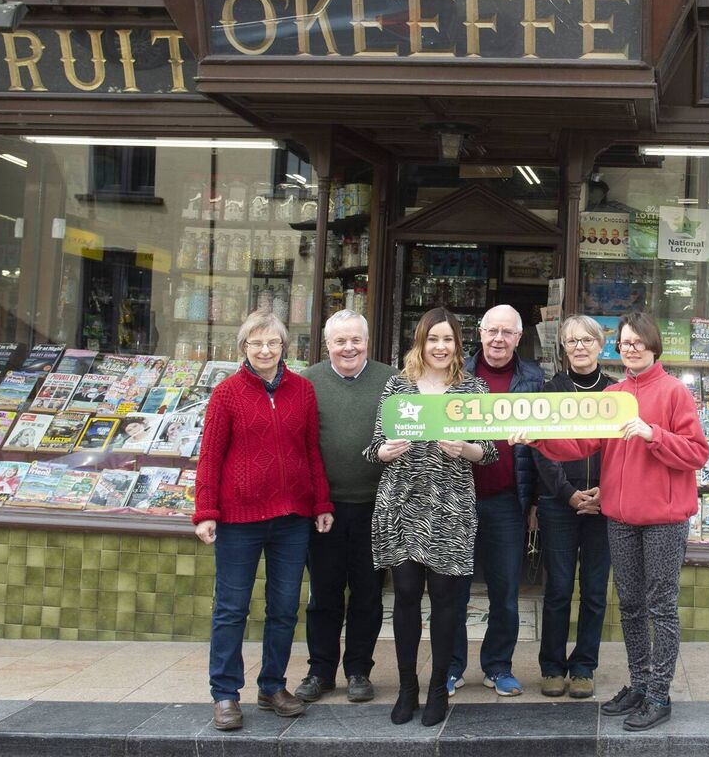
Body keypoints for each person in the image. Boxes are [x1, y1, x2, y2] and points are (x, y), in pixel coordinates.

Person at [511, 311, 709, 732]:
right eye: (625, 343)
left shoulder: (675, 393)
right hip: (618, 516)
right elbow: (580, 442)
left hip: (663, 519)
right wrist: (538, 437)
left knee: (661, 609)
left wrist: (654, 434)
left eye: (638, 342)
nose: (631, 349)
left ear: (654, 346)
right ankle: (639, 685)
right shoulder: (615, 393)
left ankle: (659, 693)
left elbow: (697, 453)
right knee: (632, 607)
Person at [193, 310, 335, 732]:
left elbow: (312, 451)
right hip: (239, 519)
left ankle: (272, 686)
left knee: (285, 607)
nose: (265, 350)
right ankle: (225, 694)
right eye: (256, 343)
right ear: (244, 348)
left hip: (292, 518)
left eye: (273, 342)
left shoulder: (303, 391)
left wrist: (321, 503)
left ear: (284, 347)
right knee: (231, 609)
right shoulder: (226, 394)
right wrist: (205, 512)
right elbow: (210, 457)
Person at [363, 307, 498, 727]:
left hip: (449, 506)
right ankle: (408, 688)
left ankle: (438, 687)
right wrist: (384, 452)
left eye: (448, 339)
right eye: (432, 339)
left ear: (458, 344)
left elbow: (489, 452)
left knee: (446, 602)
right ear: (420, 342)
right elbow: (374, 448)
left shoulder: (473, 389)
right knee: (404, 597)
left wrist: (466, 449)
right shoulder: (397, 387)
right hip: (401, 505)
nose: (441, 347)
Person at [297, 310, 397, 704]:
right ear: (328, 344)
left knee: (368, 594)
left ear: (367, 341)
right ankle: (320, 671)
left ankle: (359, 669)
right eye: (340, 341)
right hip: (324, 509)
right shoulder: (308, 382)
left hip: (376, 506)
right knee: (323, 593)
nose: (348, 347)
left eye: (355, 339)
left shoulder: (392, 381)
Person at [449, 304, 543, 698]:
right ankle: (450, 666)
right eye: (492, 331)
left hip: (507, 500)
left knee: (505, 590)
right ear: (481, 334)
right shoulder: (456, 374)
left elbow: (543, 447)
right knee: (452, 588)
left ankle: (498, 666)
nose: (499, 339)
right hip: (457, 498)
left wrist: (535, 501)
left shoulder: (535, 380)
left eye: (507, 333)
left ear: (519, 338)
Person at [531, 315, 615, 700]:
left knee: (595, 590)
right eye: (571, 341)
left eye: (586, 340)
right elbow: (542, 453)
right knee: (559, 589)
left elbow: (623, 451)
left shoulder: (617, 394)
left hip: (605, 504)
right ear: (562, 348)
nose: (579, 347)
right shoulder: (551, 392)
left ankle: (583, 668)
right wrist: (567, 493)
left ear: (600, 345)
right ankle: (552, 667)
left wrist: (605, 492)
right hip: (558, 504)